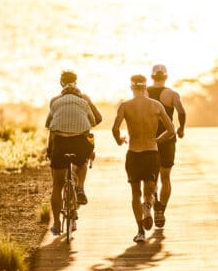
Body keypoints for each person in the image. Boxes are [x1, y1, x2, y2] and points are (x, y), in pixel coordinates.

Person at [112, 74, 176, 243]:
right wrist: (157, 140)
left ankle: (140, 231)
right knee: (150, 189)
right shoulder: (156, 105)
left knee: (135, 192)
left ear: (132, 87)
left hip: (133, 153)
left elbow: (115, 128)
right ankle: (147, 205)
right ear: (145, 87)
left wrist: (119, 141)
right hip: (151, 152)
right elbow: (171, 130)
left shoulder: (125, 106)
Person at [46, 70, 103, 235]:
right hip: (79, 142)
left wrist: (50, 149)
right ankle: (80, 188)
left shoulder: (55, 101)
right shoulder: (84, 98)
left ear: (60, 84)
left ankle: (56, 223)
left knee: (57, 185)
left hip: (60, 143)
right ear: (76, 82)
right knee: (83, 160)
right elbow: (97, 119)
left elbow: (52, 127)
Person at [147, 64, 186, 228]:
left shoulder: (145, 93)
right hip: (168, 139)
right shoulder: (172, 94)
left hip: (149, 139)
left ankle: (152, 200)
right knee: (165, 176)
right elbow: (182, 112)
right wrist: (181, 129)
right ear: (166, 77)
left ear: (152, 77)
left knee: (150, 176)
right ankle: (160, 210)